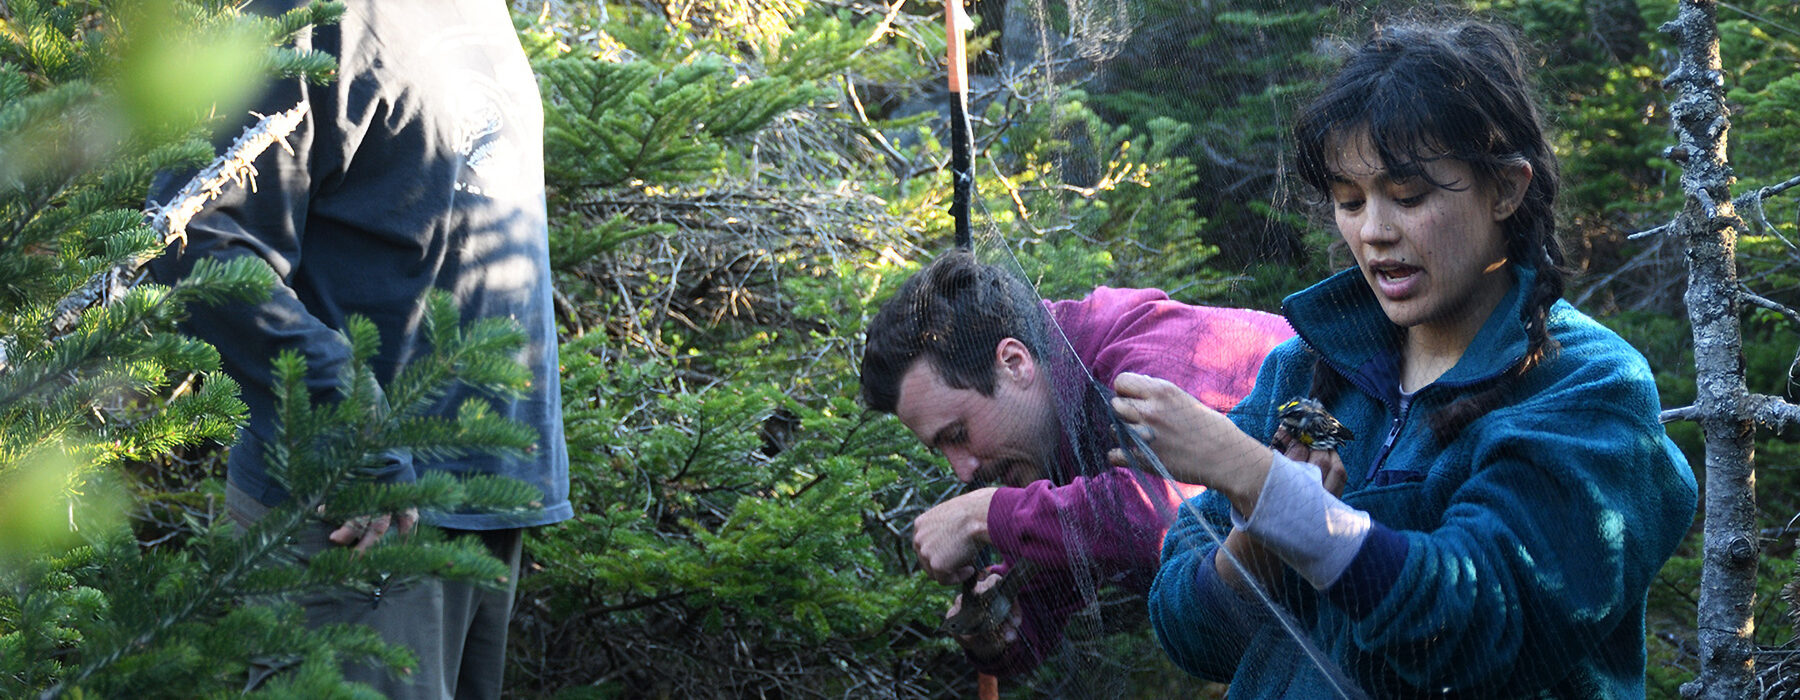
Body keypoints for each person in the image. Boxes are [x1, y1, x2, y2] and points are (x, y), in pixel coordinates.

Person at [1113, 19, 1699, 697]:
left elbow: (1479, 625)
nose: (1375, 231)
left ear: (1506, 188)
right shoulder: (1305, 373)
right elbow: (1187, 631)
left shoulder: (1588, 387)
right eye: (1349, 201)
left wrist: (1263, 485)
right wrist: (1263, 537)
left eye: (1410, 196)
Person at [146, 1, 570, 698]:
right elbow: (193, 236)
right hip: (357, 514)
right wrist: (347, 429)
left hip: (487, 499)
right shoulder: (309, 15)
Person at [859, 250, 1294, 676]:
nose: (963, 469)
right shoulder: (1048, 435)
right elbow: (1054, 581)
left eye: (958, 434)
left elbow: (1162, 513)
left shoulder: (1145, 350)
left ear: (1014, 363)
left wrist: (983, 515)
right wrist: (1001, 623)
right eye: (943, 449)